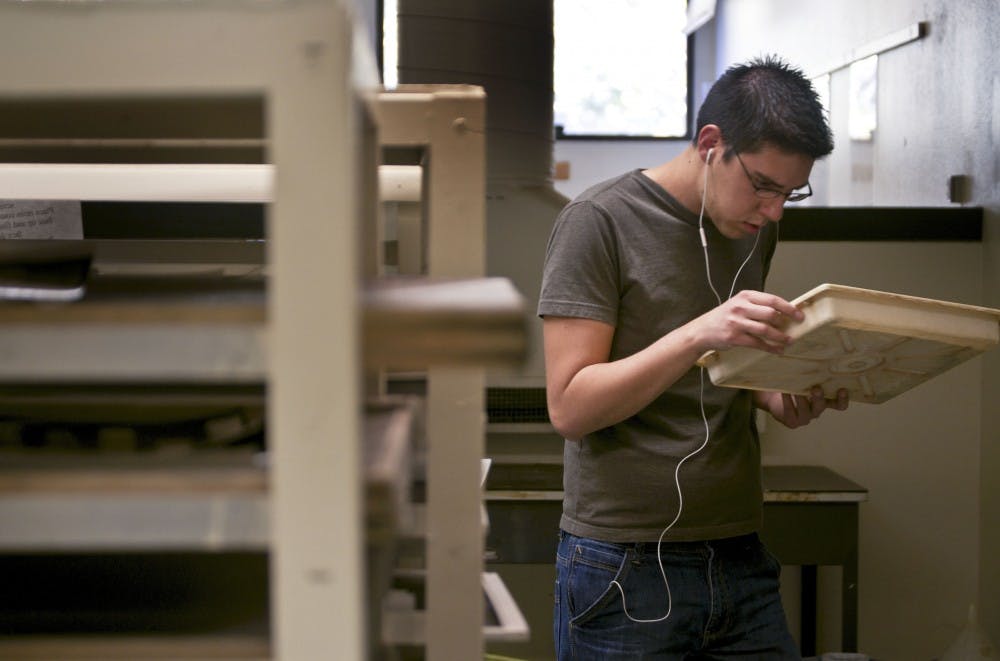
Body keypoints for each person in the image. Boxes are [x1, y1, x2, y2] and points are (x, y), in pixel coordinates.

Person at [538, 55, 850, 660]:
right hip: (623, 563)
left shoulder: (756, 225)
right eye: (763, 185)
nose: (774, 211)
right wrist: (696, 333)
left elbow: (731, 361)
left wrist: (781, 392)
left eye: (791, 193)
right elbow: (570, 407)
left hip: (739, 549)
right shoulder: (597, 221)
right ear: (711, 145)